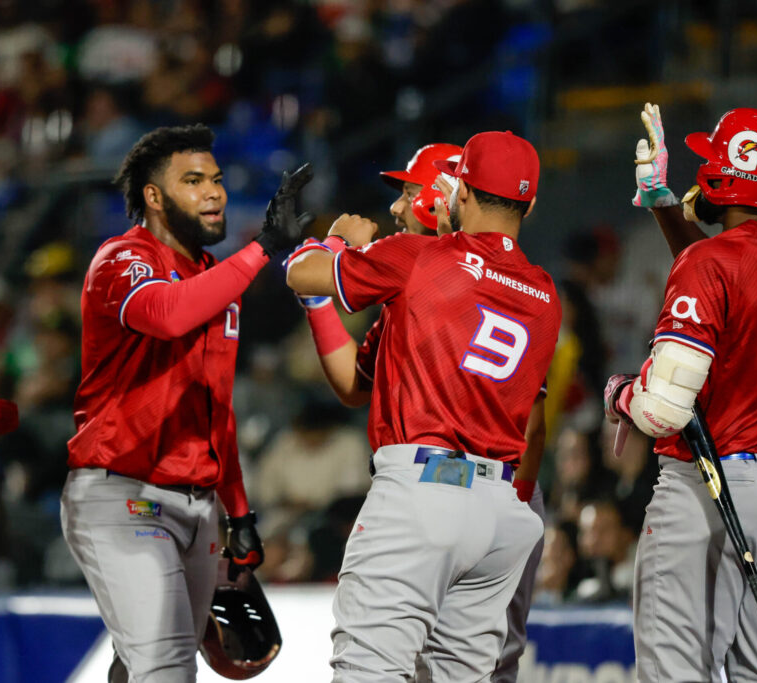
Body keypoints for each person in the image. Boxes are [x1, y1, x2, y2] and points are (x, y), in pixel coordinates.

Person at [286, 130, 560, 682]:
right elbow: (354, 384)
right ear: (529, 203)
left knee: (368, 670)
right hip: (499, 510)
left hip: (423, 492)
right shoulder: (544, 292)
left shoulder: (417, 259)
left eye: (408, 193)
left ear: (456, 193)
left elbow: (301, 271)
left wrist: (338, 241)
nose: (395, 206)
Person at [60, 124, 312, 682]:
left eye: (217, 180)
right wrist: (262, 250)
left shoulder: (212, 278)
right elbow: (168, 313)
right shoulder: (123, 257)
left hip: (199, 508)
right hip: (123, 495)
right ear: (154, 196)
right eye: (193, 181)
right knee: (166, 664)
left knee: (143, 665)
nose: (215, 193)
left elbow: (216, 406)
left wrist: (239, 511)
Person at [605, 105, 757, 680]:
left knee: (676, 669)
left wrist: (618, 396)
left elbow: (661, 411)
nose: (701, 170)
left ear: (734, 177)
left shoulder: (713, 261)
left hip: (719, 482)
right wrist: (661, 204)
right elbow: (737, 264)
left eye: (712, 160)